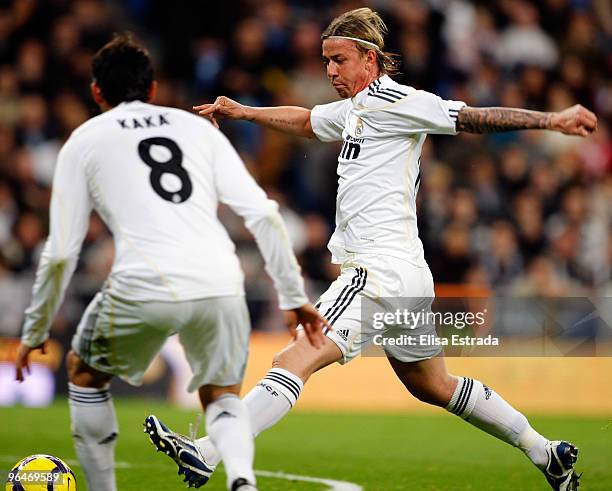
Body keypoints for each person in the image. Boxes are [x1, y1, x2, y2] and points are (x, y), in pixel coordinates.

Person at [183, 7, 599, 491]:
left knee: (294, 357)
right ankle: (544, 450)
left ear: (369, 58)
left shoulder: (400, 101)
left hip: (375, 272)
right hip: (406, 273)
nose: (330, 71)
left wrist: (553, 119)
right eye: (326, 61)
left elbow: (472, 118)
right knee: (432, 384)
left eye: (339, 60)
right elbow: (307, 120)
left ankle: (209, 452)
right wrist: (243, 111)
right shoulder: (356, 109)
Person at [14, 33, 327, 491]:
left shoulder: (85, 139)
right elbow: (262, 213)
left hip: (143, 282)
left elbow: (61, 252)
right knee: (221, 397)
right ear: (154, 88)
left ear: (97, 92)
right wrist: (295, 296)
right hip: (221, 279)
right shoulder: (197, 128)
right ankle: (242, 478)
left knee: (84, 373)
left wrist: (36, 329)